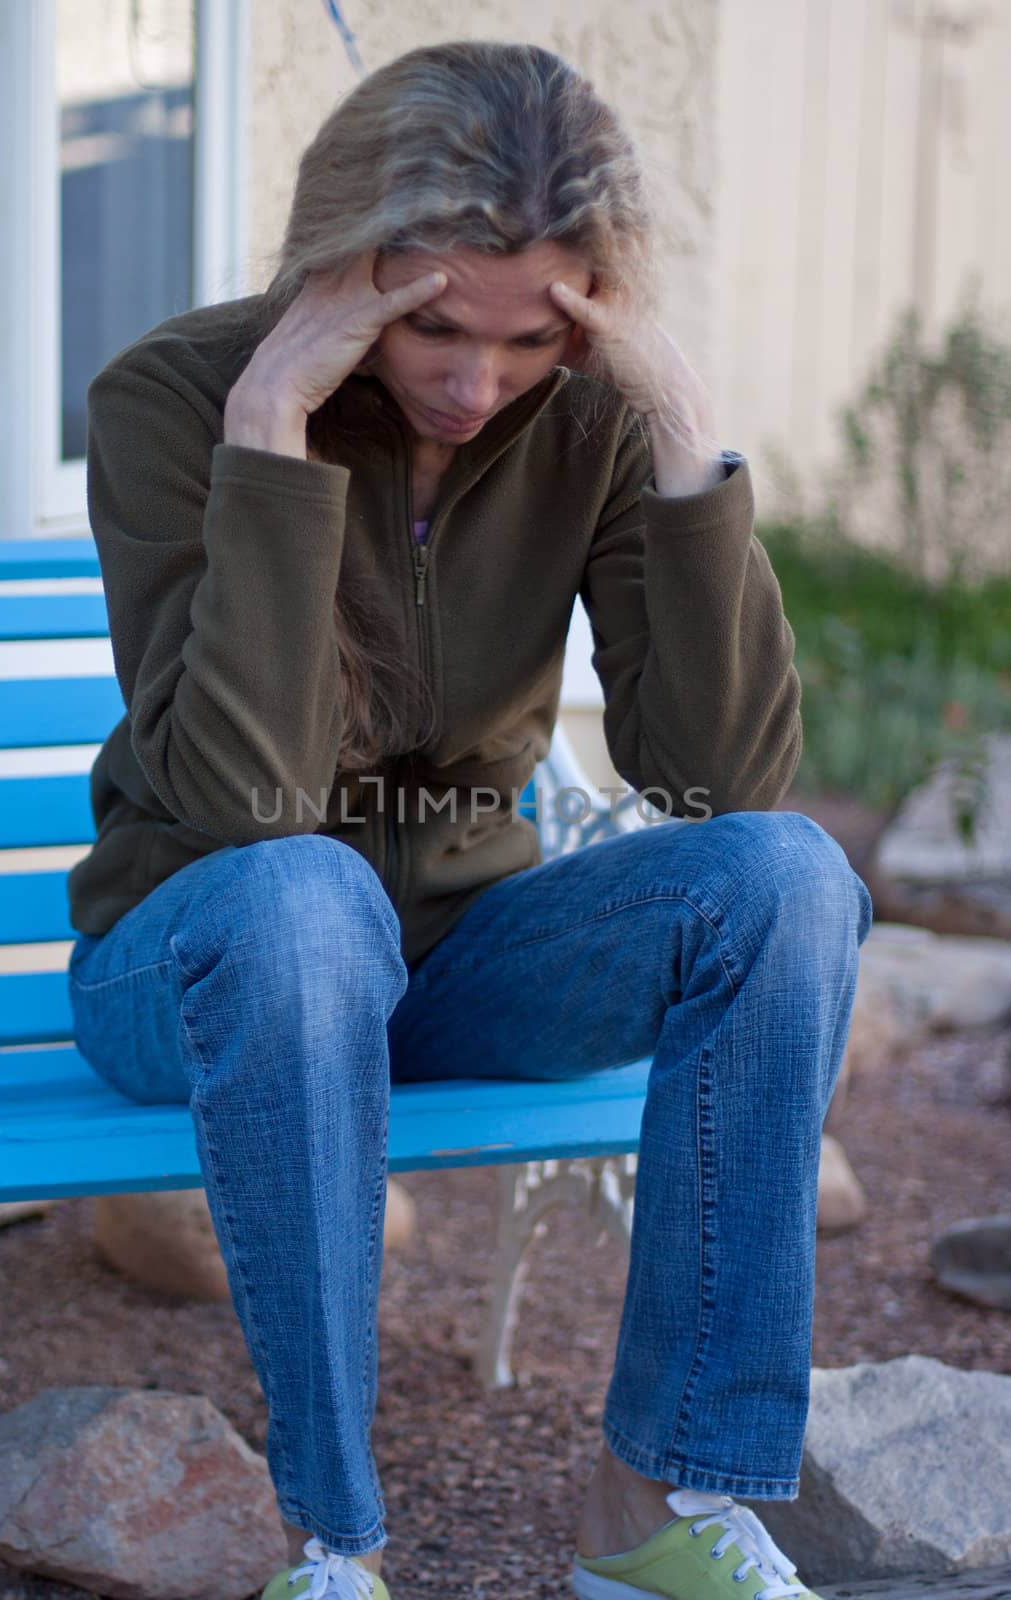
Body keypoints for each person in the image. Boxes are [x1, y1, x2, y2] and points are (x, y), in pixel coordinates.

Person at [65, 38, 872, 1600]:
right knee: (302, 901)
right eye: (430, 322)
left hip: (459, 961)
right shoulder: (175, 401)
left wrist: (677, 426)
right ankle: (335, 1546)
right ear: (341, 266)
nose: (470, 381)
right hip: (199, 956)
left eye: (524, 342)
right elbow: (243, 808)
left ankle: (652, 1509)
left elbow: (724, 775)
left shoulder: (580, 424)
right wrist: (273, 434)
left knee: (788, 879)